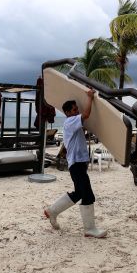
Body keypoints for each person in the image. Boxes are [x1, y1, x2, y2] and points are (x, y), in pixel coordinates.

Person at [43, 88, 106, 238]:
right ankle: (89, 229)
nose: (77, 111)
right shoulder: (71, 121)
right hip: (76, 164)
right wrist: (90, 98)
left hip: (78, 164)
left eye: (77, 108)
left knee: (79, 193)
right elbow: (86, 115)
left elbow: (84, 121)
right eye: (74, 109)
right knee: (88, 195)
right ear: (68, 112)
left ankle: (52, 211)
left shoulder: (72, 123)